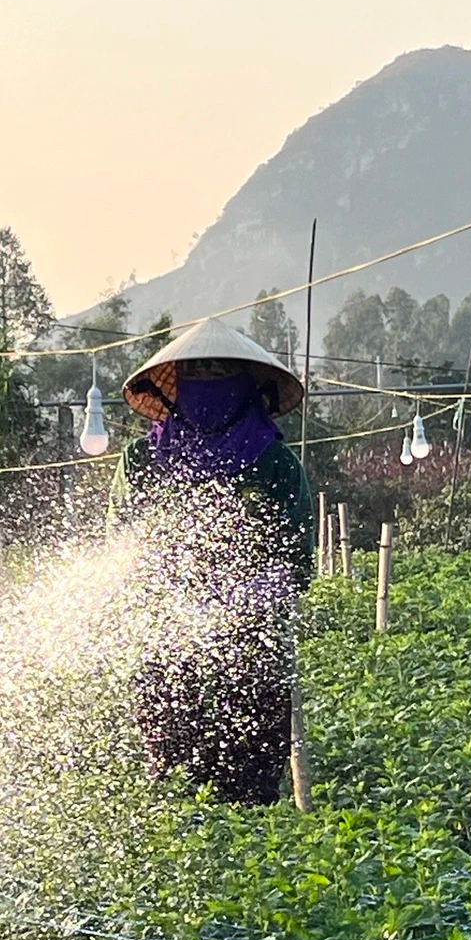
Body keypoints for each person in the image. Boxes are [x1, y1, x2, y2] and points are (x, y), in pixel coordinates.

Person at [118, 318, 314, 804]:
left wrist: (240, 599)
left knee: (251, 776)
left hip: (253, 642)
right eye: (198, 372)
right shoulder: (143, 462)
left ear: (247, 386)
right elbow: (122, 548)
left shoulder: (273, 464)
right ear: (175, 386)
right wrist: (173, 594)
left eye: (220, 372)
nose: (209, 384)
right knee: (174, 777)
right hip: (165, 640)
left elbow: (296, 559)